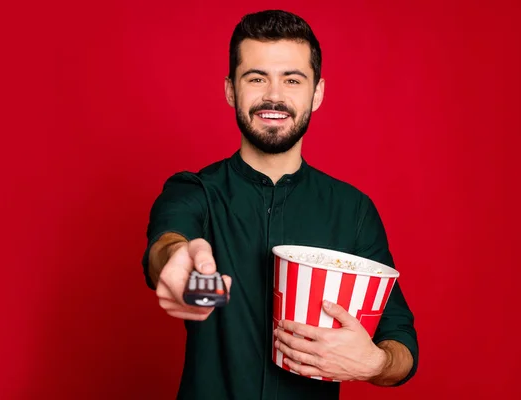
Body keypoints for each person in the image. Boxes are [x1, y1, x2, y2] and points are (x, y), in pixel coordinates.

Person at [141, 9, 418, 400]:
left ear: (317, 93)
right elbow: (167, 248)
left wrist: (375, 363)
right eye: (256, 78)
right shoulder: (194, 191)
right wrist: (177, 260)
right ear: (230, 90)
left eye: (292, 79)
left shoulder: (353, 211)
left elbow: (401, 342)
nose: (274, 95)